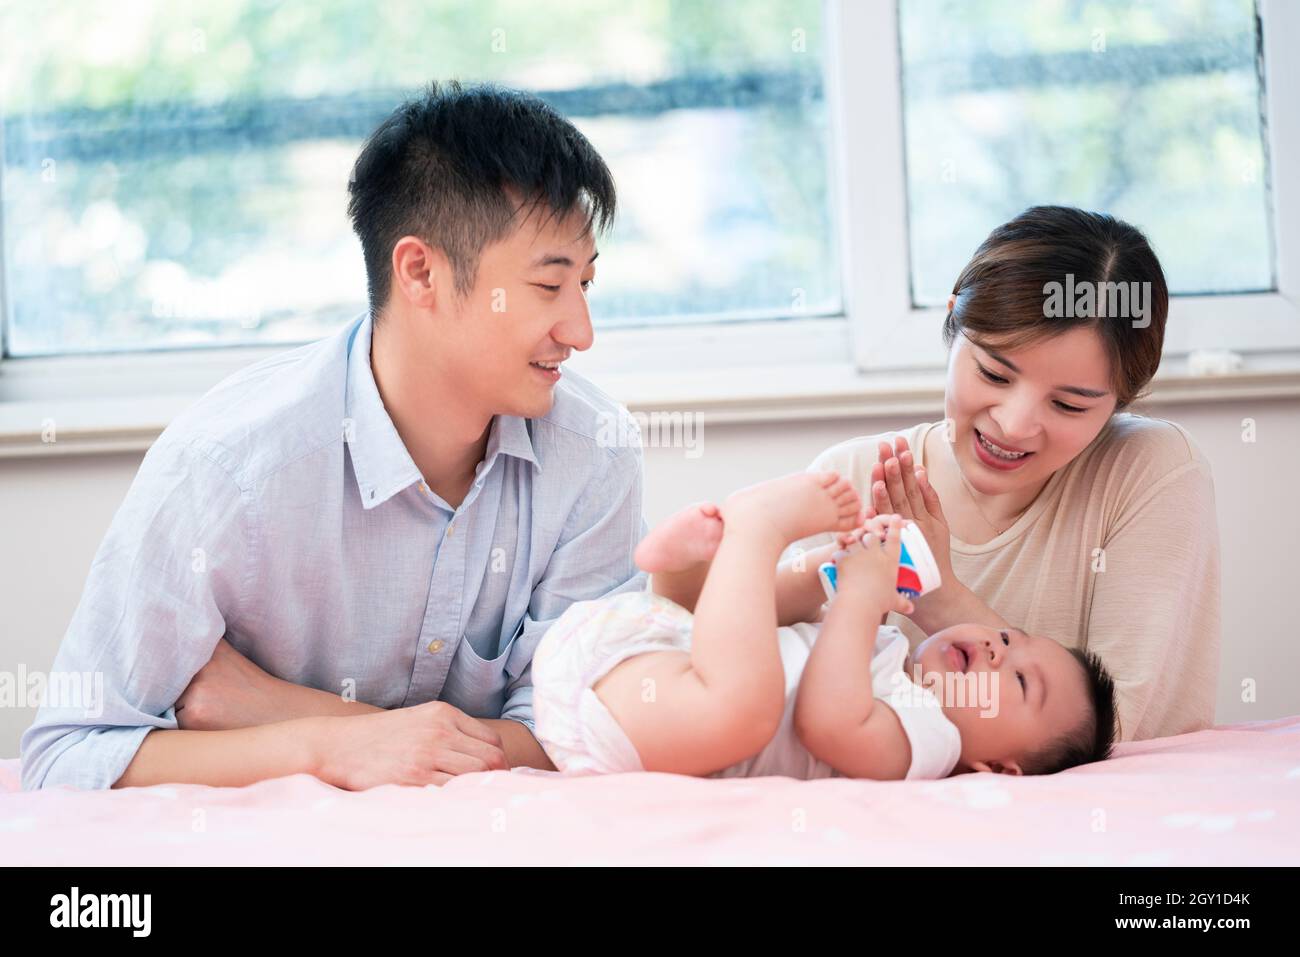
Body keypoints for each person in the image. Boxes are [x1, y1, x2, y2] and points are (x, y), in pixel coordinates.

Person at [21, 81, 648, 790]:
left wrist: (276, 711)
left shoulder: (594, 453)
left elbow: (583, 737)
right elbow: (70, 754)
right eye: (547, 287)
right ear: (420, 272)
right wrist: (319, 748)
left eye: (586, 285)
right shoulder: (228, 467)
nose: (582, 333)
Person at [789, 206, 1220, 742]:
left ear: (1119, 402)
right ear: (953, 321)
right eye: (994, 373)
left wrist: (937, 594)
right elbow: (785, 698)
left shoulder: (1150, 472)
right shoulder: (848, 477)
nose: (1015, 426)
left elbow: (1122, 738)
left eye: (1068, 405)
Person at [531, 473, 1118, 780]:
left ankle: (753, 533)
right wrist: (843, 574)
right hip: (658, 653)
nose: (995, 650)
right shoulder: (891, 654)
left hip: (632, 713)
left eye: (1019, 683)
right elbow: (784, 631)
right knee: (783, 614)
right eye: (1010, 639)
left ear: (999, 769)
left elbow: (827, 721)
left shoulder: (929, 746)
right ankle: (689, 573)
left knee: (744, 708)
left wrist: (861, 602)